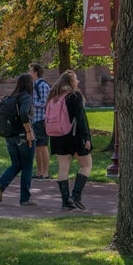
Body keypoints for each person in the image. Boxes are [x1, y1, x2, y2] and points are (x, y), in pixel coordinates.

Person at [48, 70, 93, 210]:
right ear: (71, 82)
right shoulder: (74, 96)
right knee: (86, 165)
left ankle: (65, 201)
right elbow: (80, 118)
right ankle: (75, 196)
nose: (78, 81)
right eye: (76, 79)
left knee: (63, 168)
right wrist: (86, 137)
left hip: (57, 136)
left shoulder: (54, 97)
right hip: (74, 136)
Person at [0, 74, 37, 206]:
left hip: (10, 136)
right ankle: (25, 198)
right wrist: (29, 131)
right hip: (23, 136)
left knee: (16, 164)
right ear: (29, 84)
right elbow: (24, 113)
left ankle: (1, 184)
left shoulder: (12, 97)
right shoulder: (26, 97)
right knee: (27, 166)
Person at [29, 62, 52, 179]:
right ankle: (39, 172)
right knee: (37, 147)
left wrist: (32, 104)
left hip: (41, 120)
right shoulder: (34, 85)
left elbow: (45, 102)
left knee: (43, 146)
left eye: (30, 71)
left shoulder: (42, 85)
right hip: (35, 120)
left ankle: (45, 172)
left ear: (35, 72)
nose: (29, 73)